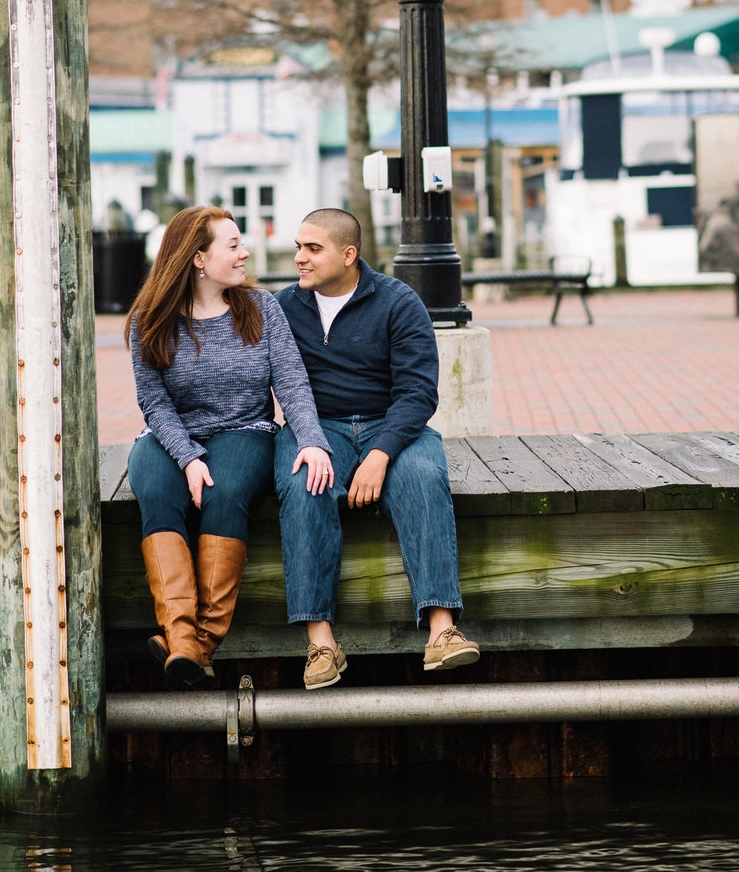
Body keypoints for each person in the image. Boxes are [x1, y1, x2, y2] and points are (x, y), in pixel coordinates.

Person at [126, 205, 333, 686]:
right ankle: (183, 640)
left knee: (224, 493)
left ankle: (199, 644)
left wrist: (314, 442)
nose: (245, 253)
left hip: (245, 430)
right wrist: (188, 457)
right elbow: (153, 402)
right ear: (198, 259)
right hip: (170, 433)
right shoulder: (150, 318)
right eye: (233, 245)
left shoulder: (261, 308)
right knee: (157, 493)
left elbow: (293, 386)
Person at [275, 207, 479, 690]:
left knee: (424, 479)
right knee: (304, 484)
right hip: (316, 430)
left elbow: (418, 393)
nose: (300, 258)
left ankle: (442, 631)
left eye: (313, 249)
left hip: (392, 426)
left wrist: (381, 454)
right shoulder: (282, 307)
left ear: (349, 254)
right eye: (298, 248)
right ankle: (321, 641)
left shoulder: (398, 302)